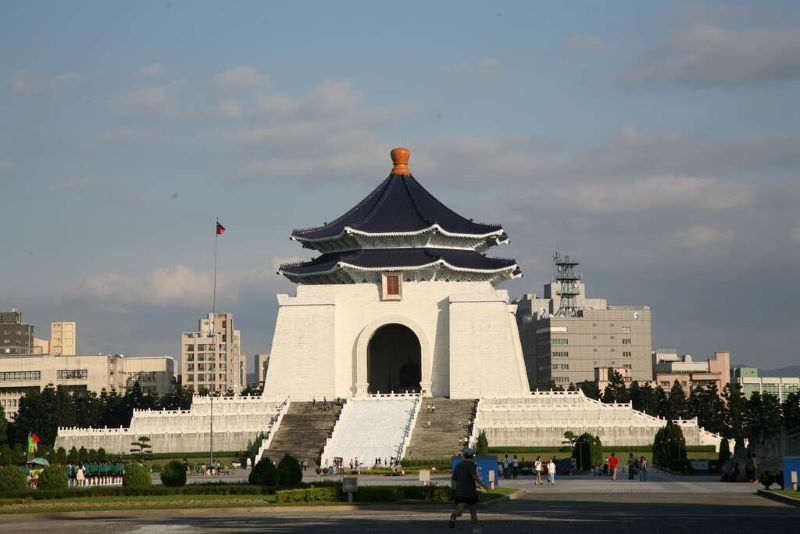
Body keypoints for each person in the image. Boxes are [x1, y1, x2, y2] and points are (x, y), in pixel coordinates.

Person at [450, 447, 487, 533]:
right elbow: (474, 477)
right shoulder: (472, 465)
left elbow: (454, 479)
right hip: (470, 492)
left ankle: (454, 516)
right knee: (473, 511)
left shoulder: (458, 466)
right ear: (471, 456)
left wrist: (454, 490)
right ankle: (475, 529)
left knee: (459, 511)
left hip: (459, 492)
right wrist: (483, 485)